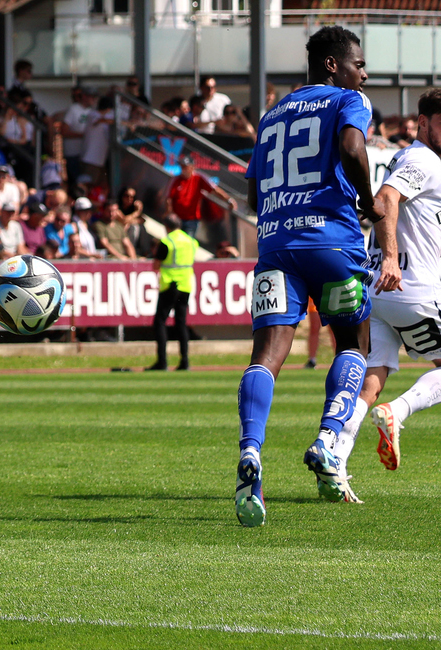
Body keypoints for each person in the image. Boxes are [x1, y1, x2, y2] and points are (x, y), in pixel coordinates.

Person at [235, 26, 393, 528]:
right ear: (333, 64)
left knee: (266, 356)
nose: (363, 74)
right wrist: (367, 201)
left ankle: (251, 452)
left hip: (277, 244)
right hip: (332, 242)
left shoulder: (271, 115)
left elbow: (252, 197)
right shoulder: (349, 99)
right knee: (354, 344)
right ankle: (328, 441)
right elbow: (351, 148)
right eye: (359, 64)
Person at [331, 89, 441, 491]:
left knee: (371, 380)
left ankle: (335, 460)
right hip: (408, 287)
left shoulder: (419, 161)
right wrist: (392, 257)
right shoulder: (421, 159)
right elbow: (385, 198)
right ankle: (399, 411)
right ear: (423, 122)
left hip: (378, 291)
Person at [147, 214, 197, 372]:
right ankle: (185, 361)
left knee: (160, 322)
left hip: (170, 285)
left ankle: (162, 361)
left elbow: (156, 265)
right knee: (181, 323)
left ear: (166, 226)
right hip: (186, 285)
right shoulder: (191, 241)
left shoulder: (167, 242)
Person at [165, 155, 238, 242]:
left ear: (192, 167)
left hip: (191, 220)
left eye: (186, 167)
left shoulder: (199, 178)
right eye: (182, 166)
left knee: (188, 243)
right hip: (177, 220)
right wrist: (170, 215)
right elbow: (168, 199)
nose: (183, 169)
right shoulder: (175, 179)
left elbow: (215, 190)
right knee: (174, 242)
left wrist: (228, 200)